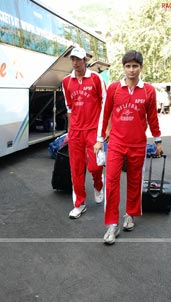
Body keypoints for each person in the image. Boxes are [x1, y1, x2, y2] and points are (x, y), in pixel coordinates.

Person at [94, 50, 163, 244]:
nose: (131, 70)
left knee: (134, 181)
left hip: (138, 144)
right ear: (123, 67)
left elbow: (152, 118)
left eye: (135, 66)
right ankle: (111, 225)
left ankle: (130, 214)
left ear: (141, 67)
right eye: (128, 66)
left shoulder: (148, 90)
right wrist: (100, 139)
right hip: (115, 144)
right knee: (112, 183)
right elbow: (104, 115)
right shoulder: (115, 88)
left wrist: (158, 141)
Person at [62, 47, 107, 219]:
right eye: (72, 59)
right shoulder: (66, 82)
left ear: (85, 61)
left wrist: (102, 133)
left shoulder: (96, 79)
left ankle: (98, 183)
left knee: (95, 166)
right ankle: (79, 204)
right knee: (76, 169)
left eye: (78, 59)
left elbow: (105, 104)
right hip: (75, 132)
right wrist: (70, 130)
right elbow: (69, 107)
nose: (75, 62)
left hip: (93, 130)